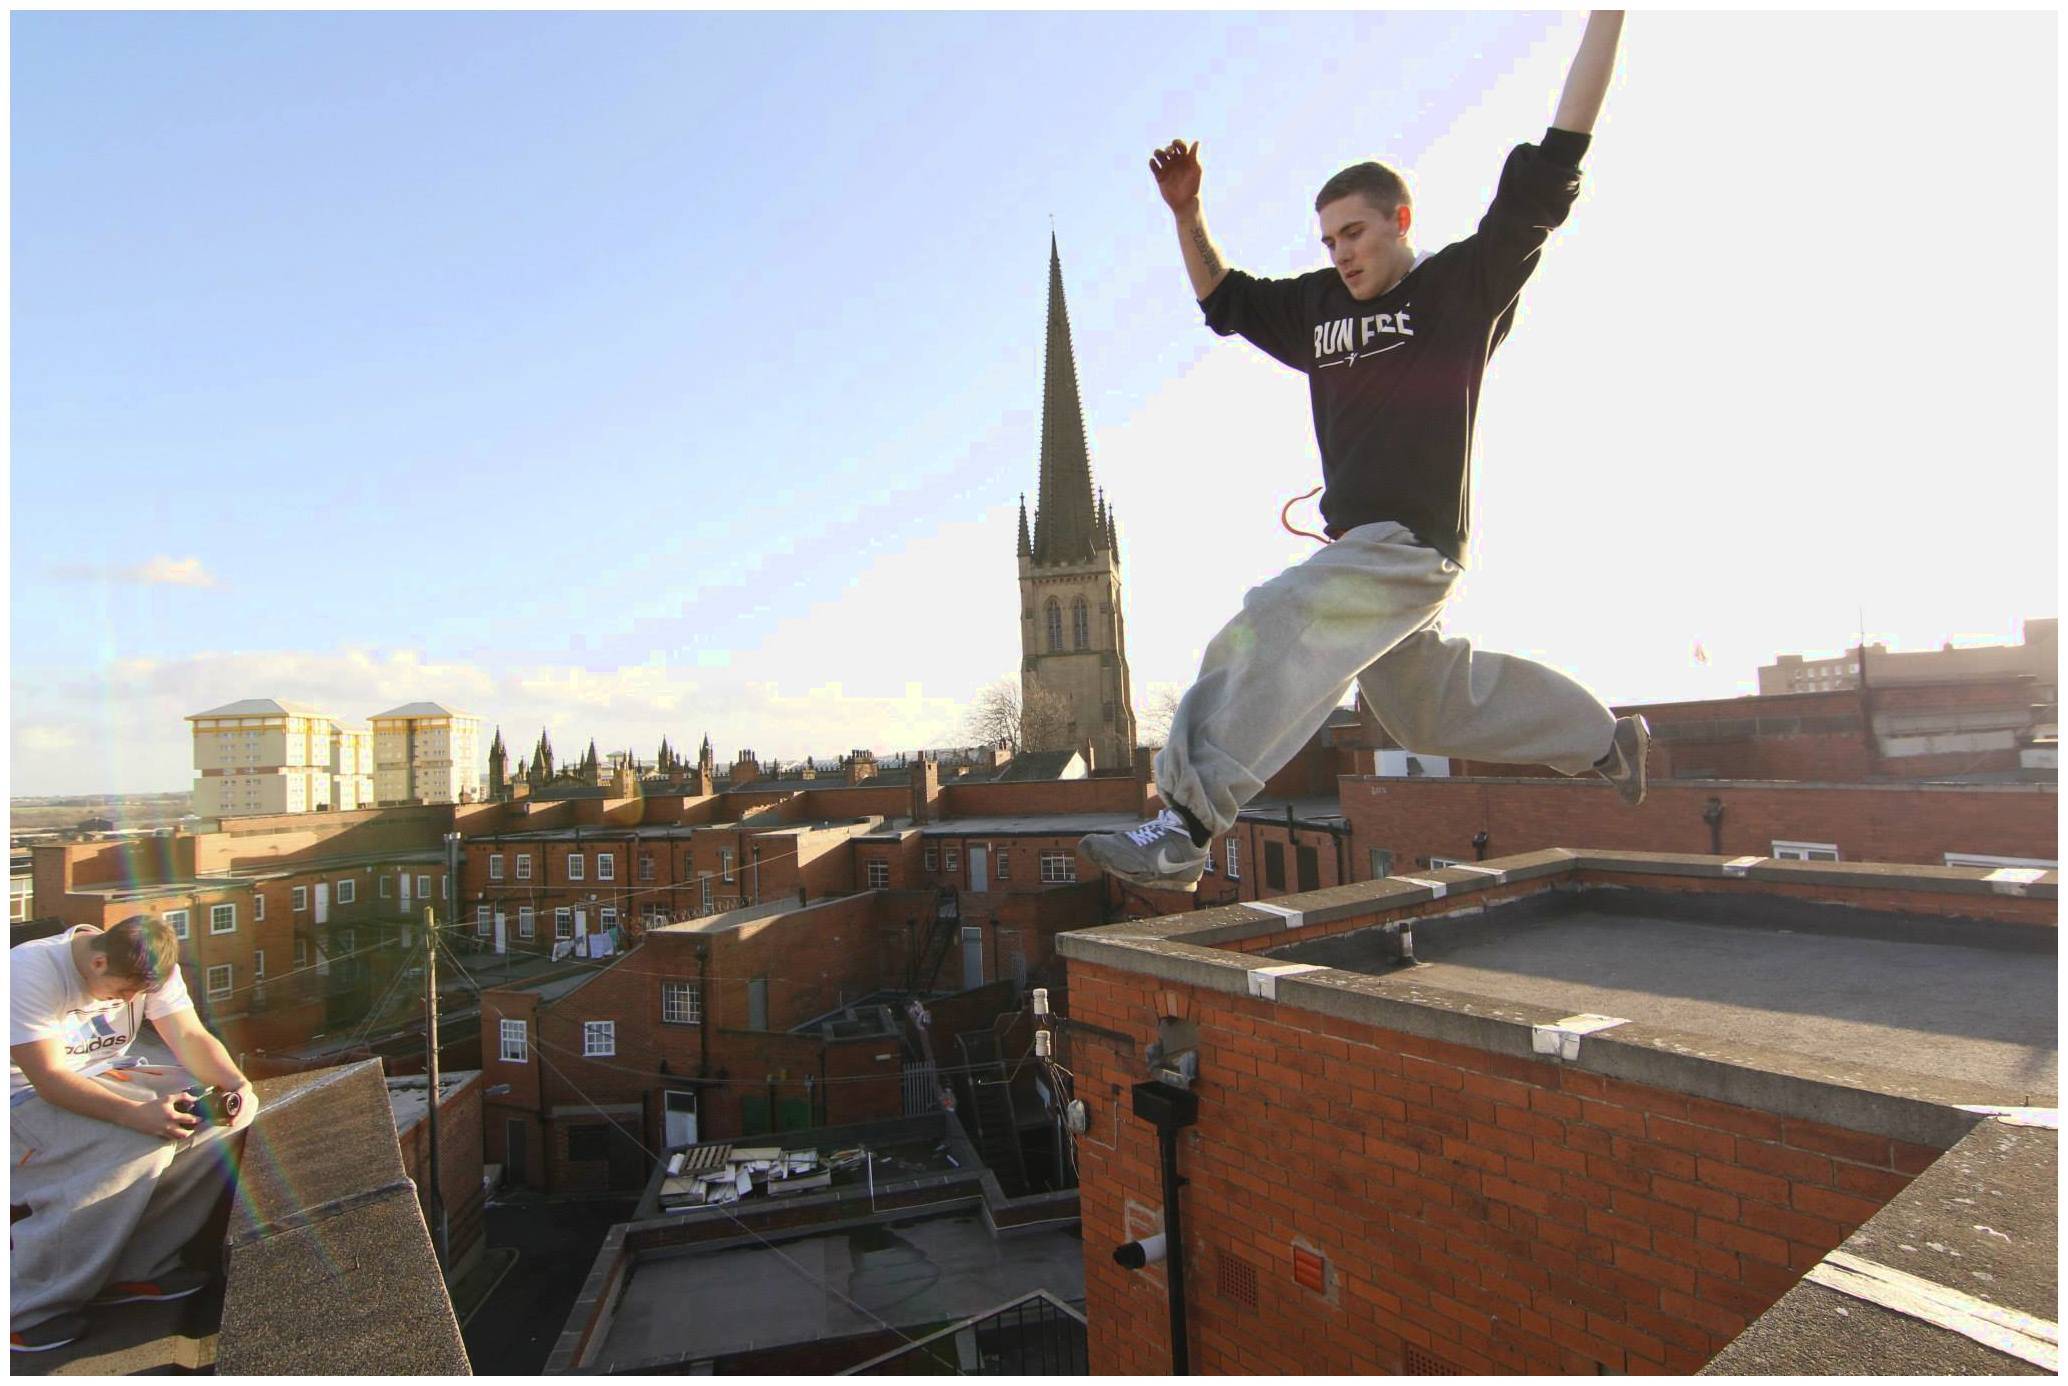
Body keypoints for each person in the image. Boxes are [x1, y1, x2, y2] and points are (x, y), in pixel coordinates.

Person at [1081, 11, 1646, 892]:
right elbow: (1224, 299)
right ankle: (1604, 739)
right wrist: (1189, 214)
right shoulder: (1316, 309)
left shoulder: (1459, 289)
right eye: (1330, 240)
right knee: (1427, 709)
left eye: (1356, 233)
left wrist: (1606, 14)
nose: (1342, 254)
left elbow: (1563, 145)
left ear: (1399, 220)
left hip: (1409, 541)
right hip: (1360, 549)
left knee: (1274, 619)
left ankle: (1185, 826)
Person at [10, 915, 258, 1353]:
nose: (130, 1001)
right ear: (99, 961)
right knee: (136, 1144)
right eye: (125, 992)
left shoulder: (148, 966)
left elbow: (187, 1034)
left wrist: (237, 1087)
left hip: (106, 1078)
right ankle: (25, 1305)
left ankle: (136, 1266)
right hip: (20, 1101)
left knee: (214, 1121)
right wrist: (135, 1116)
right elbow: (48, 1079)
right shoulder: (29, 970)